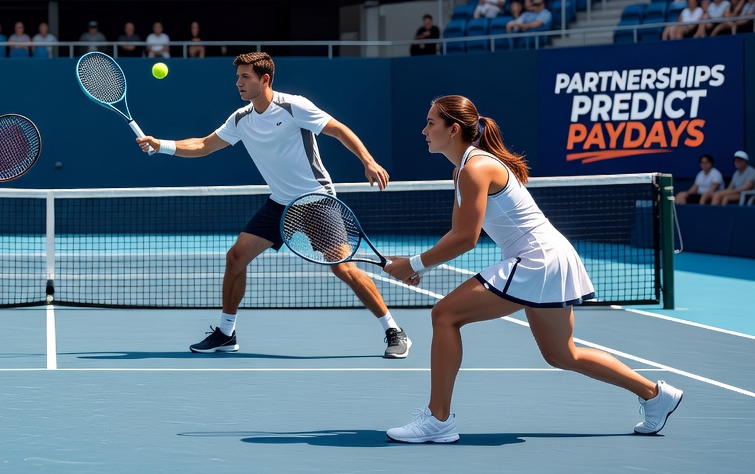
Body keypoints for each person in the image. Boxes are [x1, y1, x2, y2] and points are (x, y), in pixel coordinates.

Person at [382, 96, 681, 443]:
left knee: (445, 315)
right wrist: (418, 266)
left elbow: (467, 239)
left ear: (453, 129)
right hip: (551, 258)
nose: (424, 130)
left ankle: (438, 420)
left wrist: (415, 264)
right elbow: (456, 231)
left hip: (537, 260)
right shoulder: (462, 169)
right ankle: (656, 395)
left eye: (431, 122)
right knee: (561, 354)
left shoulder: (475, 168)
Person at [134, 53, 409, 359]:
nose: (238, 83)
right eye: (237, 77)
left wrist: (368, 162)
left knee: (343, 267)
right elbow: (203, 145)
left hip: (315, 199)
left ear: (264, 79)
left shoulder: (294, 106)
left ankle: (394, 331)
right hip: (280, 202)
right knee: (236, 256)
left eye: (245, 77)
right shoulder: (240, 119)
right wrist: (162, 145)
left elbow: (339, 130)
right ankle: (226, 333)